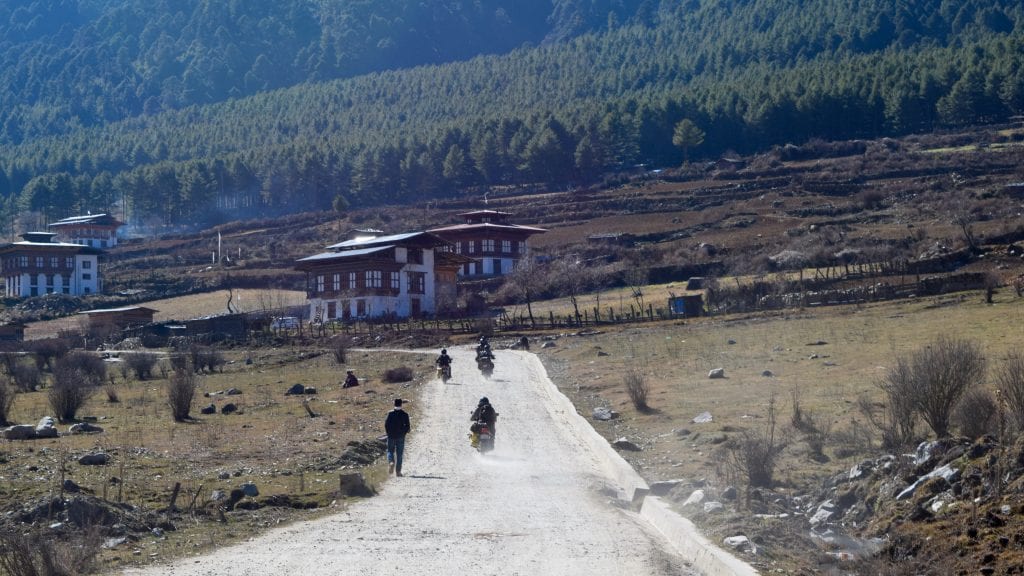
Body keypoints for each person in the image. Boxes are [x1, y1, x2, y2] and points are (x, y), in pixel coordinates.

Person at [384, 398, 411, 476]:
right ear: (401, 404)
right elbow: (408, 427)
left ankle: (391, 462)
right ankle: (398, 472)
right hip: (400, 436)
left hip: (391, 436)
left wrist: (388, 433)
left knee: (390, 451)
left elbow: (386, 425)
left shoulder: (390, 414)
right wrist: (404, 433)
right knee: (399, 454)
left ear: (394, 404)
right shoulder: (405, 414)